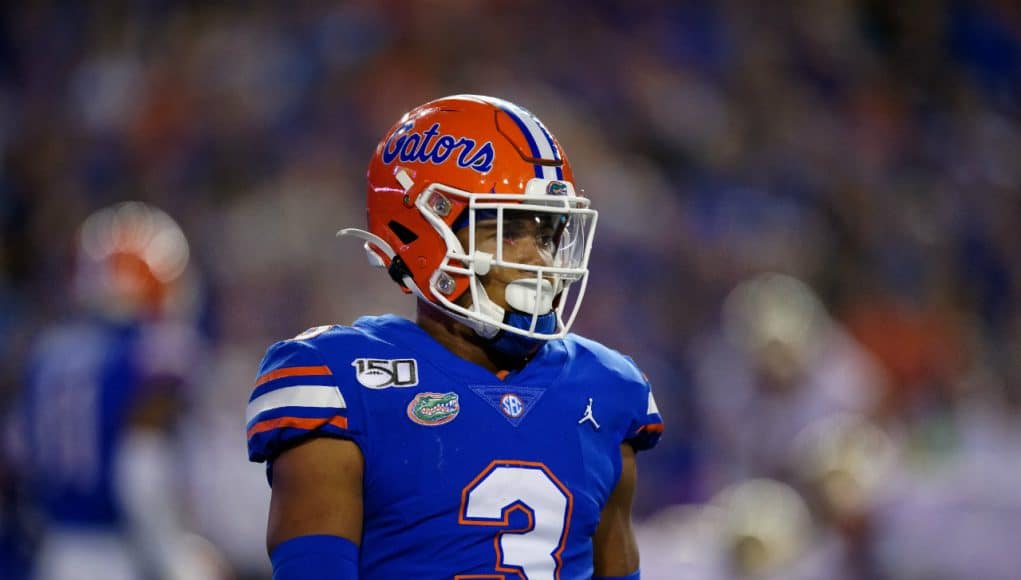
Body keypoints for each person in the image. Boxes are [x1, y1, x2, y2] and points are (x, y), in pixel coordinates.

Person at [245, 94, 664, 579]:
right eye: (507, 232)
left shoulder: (607, 388)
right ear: (422, 230)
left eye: (546, 234)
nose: (540, 260)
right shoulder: (341, 383)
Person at [19, 202, 222, 580]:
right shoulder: (153, 350)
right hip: (122, 554)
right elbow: (141, 472)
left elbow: (21, 454)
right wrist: (178, 560)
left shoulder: (48, 353)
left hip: (55, 553)